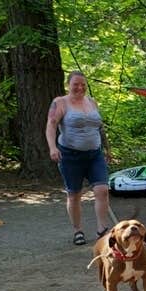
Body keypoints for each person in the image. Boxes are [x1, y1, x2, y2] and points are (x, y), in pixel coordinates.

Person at [46, 70, 112, 245]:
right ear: (69, 85)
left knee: (102, 190)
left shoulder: (92, 102)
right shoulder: (60, 102)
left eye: (83, 84)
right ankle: (78, 230)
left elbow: (100, 127)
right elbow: (51, 125)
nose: (80, 88)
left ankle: (102, 230)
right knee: (74, 194)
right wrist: (52, 147)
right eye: (76, 84)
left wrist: (107, 148)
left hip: (95, 154)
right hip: (70, 156)